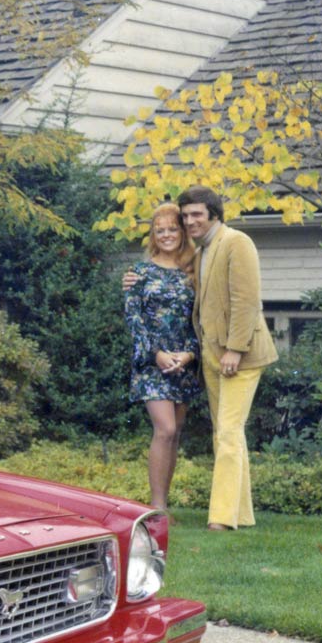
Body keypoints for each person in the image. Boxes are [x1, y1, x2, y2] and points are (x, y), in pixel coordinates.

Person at [177, 185, 277, 531]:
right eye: (186, 215)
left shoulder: (237, 242)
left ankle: (220, 518)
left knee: (229, 432)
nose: (190, 221)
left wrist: (235, 348)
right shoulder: (202, 250)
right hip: (212, 353)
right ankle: (242, 514)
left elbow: (246, 300)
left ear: (214, 214)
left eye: (197, 215)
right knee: (226, 431)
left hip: (242, 355)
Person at [124, 204, 204, 512]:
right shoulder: (139, 273)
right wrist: (155, 354)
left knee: (175, 434)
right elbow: (133, 320)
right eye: (161, 230)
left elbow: (200, 318)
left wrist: (189, 354)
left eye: (173, 229)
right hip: (152, 364)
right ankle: (156, 508)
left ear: (182, 233)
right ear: (153, 236)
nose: (167, 235)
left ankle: (164, 504)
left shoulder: (192, 271)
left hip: (182, 362)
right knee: (165, 429)